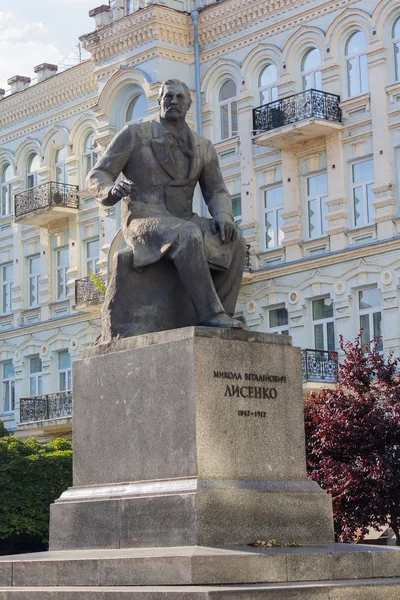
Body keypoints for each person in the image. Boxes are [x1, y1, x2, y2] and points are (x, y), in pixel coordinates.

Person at [86, 79, 245, 328]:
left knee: (235, 241)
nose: (173, 101)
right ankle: (210, 315)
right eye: (167, 96)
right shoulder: (135, 134)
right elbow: (97, 175)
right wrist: (111, 190)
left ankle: (221, 313)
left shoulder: (203, 147)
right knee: (188, 234)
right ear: (159, 101)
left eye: (179, 97)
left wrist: (224, 215)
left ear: (189, 104)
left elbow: (216, 190)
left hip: (183, 217)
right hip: (143, 218)